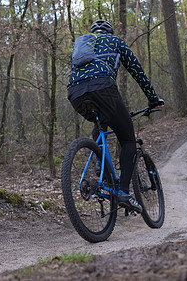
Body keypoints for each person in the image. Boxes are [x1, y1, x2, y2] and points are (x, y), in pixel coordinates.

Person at [67, 19, 164, 213]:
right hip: (103, 86)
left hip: (74, 92)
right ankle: (124, 193)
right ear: (109, 32)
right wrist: (153, 98)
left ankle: (99, 163)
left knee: (100, 123)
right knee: (128, 140)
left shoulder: (84, 44)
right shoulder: (116, 41)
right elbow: (137, 71)